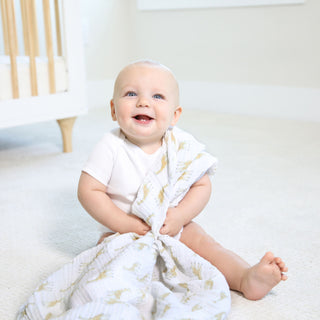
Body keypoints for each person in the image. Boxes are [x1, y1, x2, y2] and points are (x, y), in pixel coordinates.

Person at [78, 60, 288, 301]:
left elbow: (202, 185)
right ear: (114, 110)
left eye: (157, 96)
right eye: (131, 93)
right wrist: (125, 224)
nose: (143, 102)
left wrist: (180, 216)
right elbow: (89, 191)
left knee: (207, 246)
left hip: (175, 225)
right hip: (123, 231)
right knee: (106, 260)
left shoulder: (181, 146)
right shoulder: (110, 146)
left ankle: (245, 277)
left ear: (175, 115)